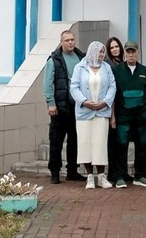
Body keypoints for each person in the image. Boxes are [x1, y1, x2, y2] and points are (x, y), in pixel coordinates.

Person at [70, 41, 116, 189]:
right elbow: (74, 87)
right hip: (85, 112)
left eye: (103, 52)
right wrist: (84, 102)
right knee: (85, 143)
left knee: (100, 143)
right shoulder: (80, 67)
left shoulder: (106, 67)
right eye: (99, 52)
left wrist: (105, 102)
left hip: (101, 111)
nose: (102, 55)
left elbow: (112, 86)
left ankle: (101, 177)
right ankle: (90, 177)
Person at [110, 40, 146, 187]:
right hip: (123, 115)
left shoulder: (145, 71)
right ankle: (120, 177)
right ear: (125, 53)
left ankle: (140, 176)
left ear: (137, 52)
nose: (131, 54)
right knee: (121, 145)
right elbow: (112, 94)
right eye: (128, 52)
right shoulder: (117, 71)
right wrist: (113, 117)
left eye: (133, 51)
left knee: (141, 145)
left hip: (141, 116)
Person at [42, 28, 83, 183]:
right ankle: (54, 172)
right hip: (60, 107)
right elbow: (47, 84)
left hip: (78, 107)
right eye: (67, 40)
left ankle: (73, 170)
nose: (70, 42)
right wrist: (51, 103)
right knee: (56, 141)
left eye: (72, 39)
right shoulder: (54, 60)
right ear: (61, 42)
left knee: (75, 140)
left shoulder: (81, 57)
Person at [104, 36, 127, 185]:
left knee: (121, 142)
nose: (115, 49)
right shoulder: (108, 65)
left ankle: (122, 171)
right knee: (112, 143)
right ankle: (113, 173)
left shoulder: (124, 64)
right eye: (111, 48)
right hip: (112, 107)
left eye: (116, 46)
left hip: (123, 107)